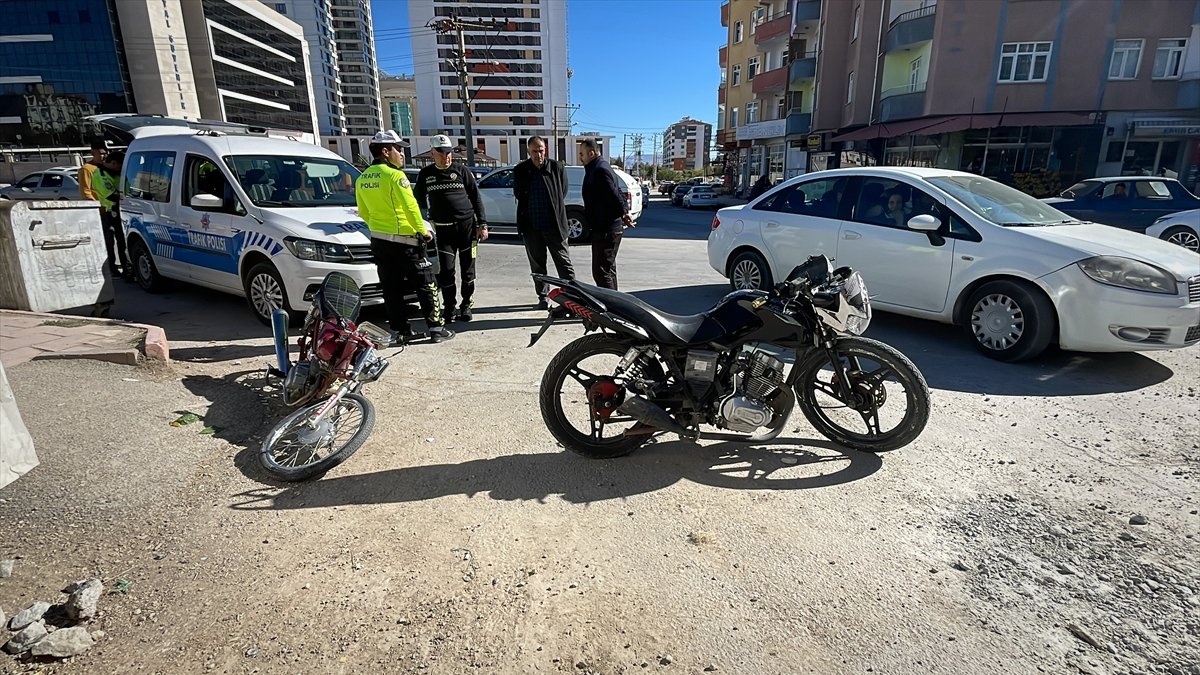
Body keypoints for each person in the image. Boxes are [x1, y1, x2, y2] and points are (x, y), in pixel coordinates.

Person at [355, 130, 454, 345]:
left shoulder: (362, 178)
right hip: (406, 241)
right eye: (398, 149)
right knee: (426, 283)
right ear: (385, 151)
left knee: (391, 289)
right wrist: (423, 231)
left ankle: (401, 331)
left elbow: (363, 212)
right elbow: (411, 207)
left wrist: (379, 227)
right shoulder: (396, 176)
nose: (402, 154)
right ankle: (436, 328)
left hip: (380, 241)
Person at [413, 134, 488, 323]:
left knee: (468, 271)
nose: (446, 157)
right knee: (446, 272)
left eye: (448, 153)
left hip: (467, 229)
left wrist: (483, 224)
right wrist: (423, 224)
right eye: (441, 153)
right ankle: (449, 306)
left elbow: (476, 198)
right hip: (443, 231)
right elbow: (418, 201)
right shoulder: (426, 174)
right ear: (432, 152)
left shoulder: (461, 171)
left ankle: (466, 305)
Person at [513, 136, 574, 310]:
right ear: (528, 152)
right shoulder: (521, 170)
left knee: (564, 263)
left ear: (545, 149)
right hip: (532, 227)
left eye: (540, 150)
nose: (538, 154)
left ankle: (571, 297)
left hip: (555, 226)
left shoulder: (556, 167)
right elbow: (519, 193)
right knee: (538, 265)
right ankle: (542, 296)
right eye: (534, 151)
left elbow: (562, 191)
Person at [578, 138, 632, 290]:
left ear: (592, 153)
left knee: (601, 272)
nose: (580, 157)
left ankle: (611, 308)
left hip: (607, 229)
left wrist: (624, 213)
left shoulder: (599, 170)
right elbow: (617, 191)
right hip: (603, 227)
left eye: (582, 154)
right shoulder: (598, 167)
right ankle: (616, 305)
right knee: (607, 270)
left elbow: (615, 194)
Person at [93, 150, 132, 280]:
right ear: (114, 163)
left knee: (123, 242)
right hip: (109, 212)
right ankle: (112, 269)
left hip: (122, 210)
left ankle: (127, 270)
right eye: (120, 166)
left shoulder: (117, 173)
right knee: (109, 243)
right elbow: (111, 195)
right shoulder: (100, 174)